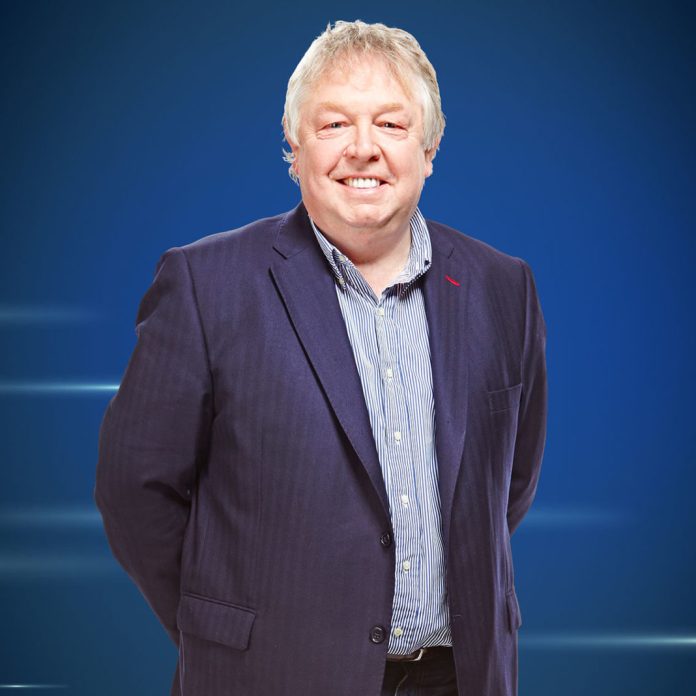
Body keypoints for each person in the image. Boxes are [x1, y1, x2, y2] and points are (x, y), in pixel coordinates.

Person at [95, 20, 547, 696]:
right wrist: (225, 627)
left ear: (429, 147)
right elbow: (134, 489)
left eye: (391, 124)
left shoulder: (503, 287)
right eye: (334, 124)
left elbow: (508, 483)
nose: (363, 148)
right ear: (295, 145)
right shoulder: (206, 285)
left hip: (463, 676)